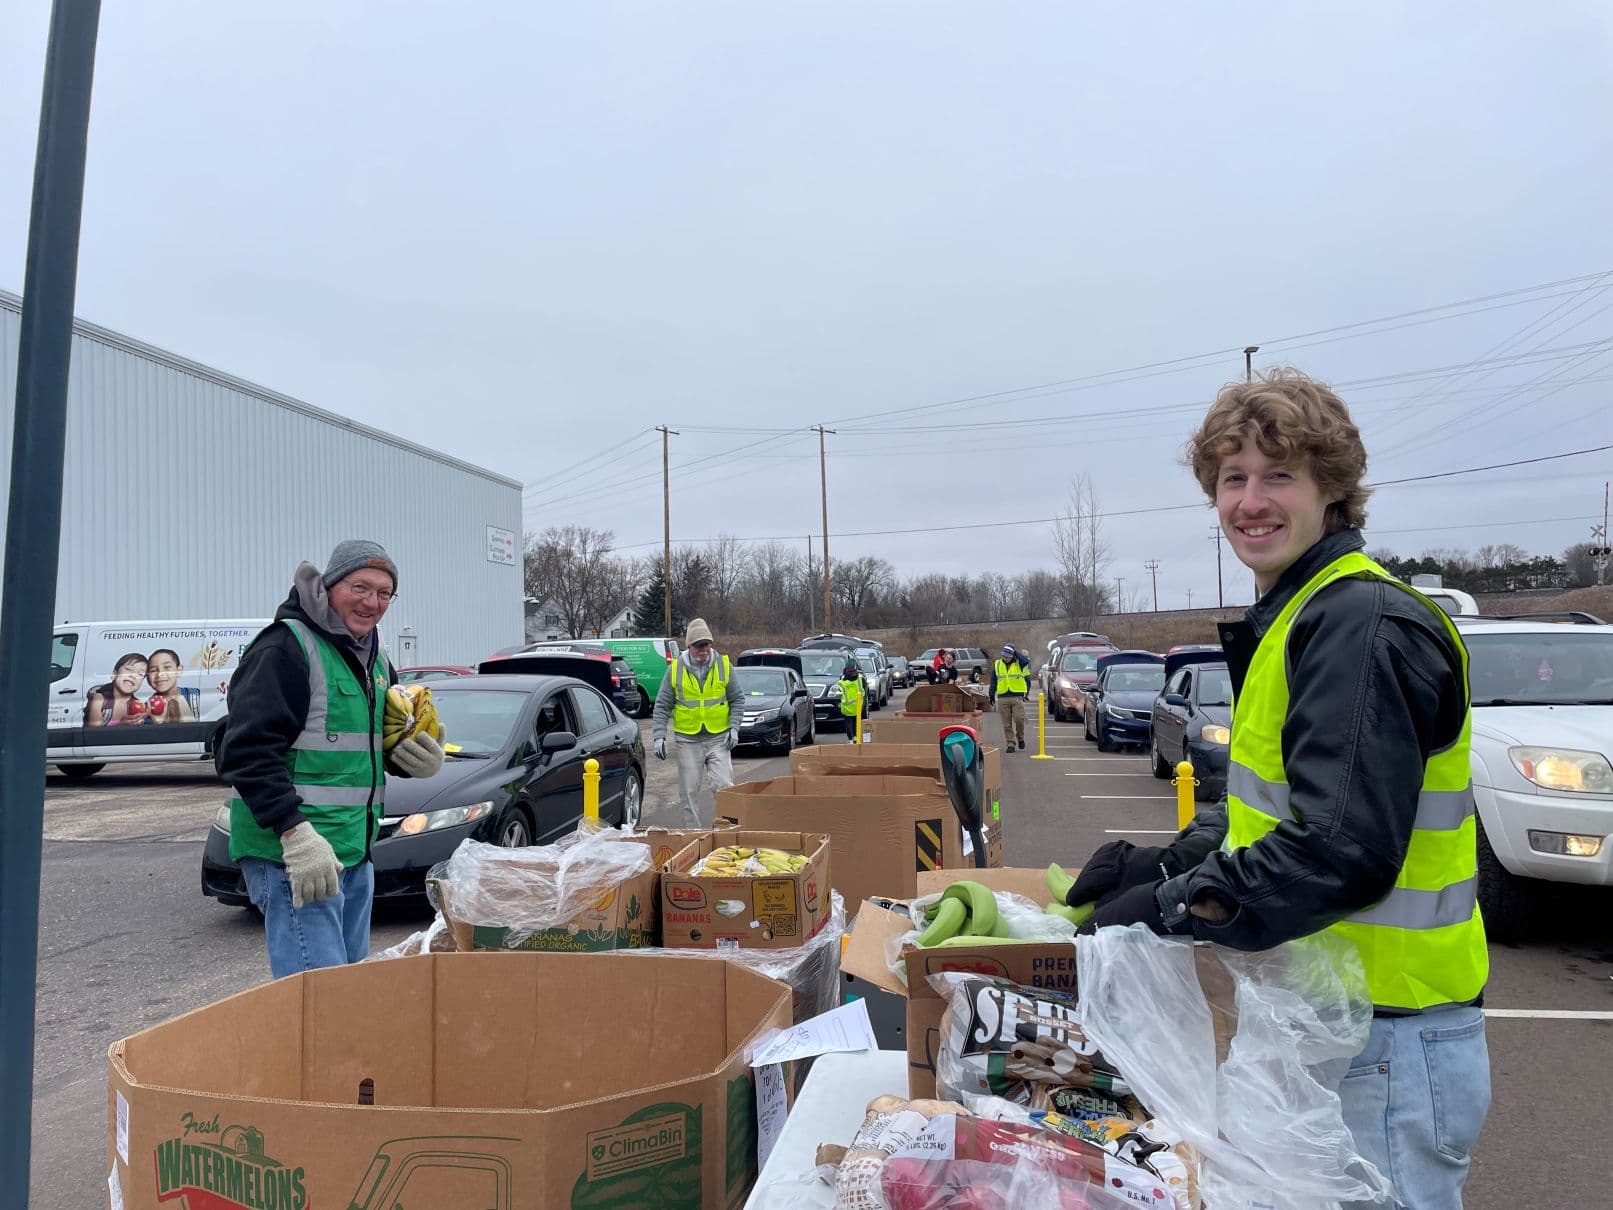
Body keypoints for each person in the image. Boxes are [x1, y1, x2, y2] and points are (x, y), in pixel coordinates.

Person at [1064, 370, 1489, 1208]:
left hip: (1387, 1045)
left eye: (1277, 475)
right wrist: (1162, 866)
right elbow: (1276, 812)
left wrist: (1168, 909)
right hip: (1326, 1028)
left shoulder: (1359, 624)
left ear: (1332, 489)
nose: (1249, 501)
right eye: (1232, 478)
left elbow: (1337, 853)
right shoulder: (1302, 614)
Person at [218, 540, 445, 979]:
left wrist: (412, 758)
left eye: (384, 593)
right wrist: (294, 834)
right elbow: (243, 751)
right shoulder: (285, 649)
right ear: (329, 585)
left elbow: (366, 748)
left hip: (353, 852)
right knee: (317, 1001)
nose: (371, 602)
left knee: (346, 991)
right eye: (360, 586)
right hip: (295, 854)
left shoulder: (376, 661)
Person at [651, 618, 744, 827]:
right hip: (688, 740)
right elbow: (662, 705)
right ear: (689, 646)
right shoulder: (675, 670)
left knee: (724, 787)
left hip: (719, 738)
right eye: (699, 645)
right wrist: (658, 736)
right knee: (689, 791)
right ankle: (694, 836)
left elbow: (737, 699)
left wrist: (734, 728)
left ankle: (727, 833)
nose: (704, 649)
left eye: (707, 644)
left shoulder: (723, 665)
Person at [85, 652, 148, 725]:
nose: (133, 675)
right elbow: (95, 733)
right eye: (128, 669)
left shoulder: (138, 705)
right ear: (114, 674)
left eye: (140, 674)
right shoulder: (100, 699)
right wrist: (120, 725)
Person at [989, 643, 1029, 752]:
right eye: (1003, 656)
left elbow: (1026, 661)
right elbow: (993, 681)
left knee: (1019, 719)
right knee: (1007, 724)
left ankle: (1020, 738)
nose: (1004, 658)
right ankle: (1010, 744)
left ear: (1012, 656)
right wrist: (991, 694)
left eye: (1007, 656)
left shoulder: (1019, 663)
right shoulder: (997, 664)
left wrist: (1014, 651)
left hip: (1017, 696)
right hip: (1002, 697)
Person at [144, 647, 198, 723]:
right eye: (153, 670)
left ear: (179, 671)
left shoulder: (196, 695)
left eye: (167, 667)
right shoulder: (145, 710)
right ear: (148, 679)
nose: (160, 674)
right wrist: (157, 723)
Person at [837, 658, 865, 737]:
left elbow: (838, 691)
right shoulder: (860, 678)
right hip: (858, 705)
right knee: (857, 722)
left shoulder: (841, 682)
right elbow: (864, 688)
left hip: (847, 706)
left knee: (848, 723)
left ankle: (850, 739)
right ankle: (856, 737)